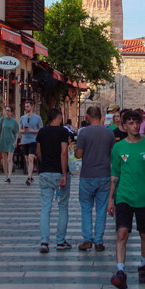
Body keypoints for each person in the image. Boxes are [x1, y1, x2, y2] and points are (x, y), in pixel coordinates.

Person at [107, 109, 145, 289]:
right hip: (124, 195)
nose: (135, 126)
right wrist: (111, 199)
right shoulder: (118, 147)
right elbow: (115, 175)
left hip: (144, 196)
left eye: (137, 122)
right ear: (124, 126)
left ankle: (143, 265)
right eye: (130, 123)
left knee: (144, 233)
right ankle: (120, 269)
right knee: (122, 232)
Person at [75, 106, 115, 252]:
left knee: (86, 208)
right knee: (101, 208)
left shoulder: (83, 133)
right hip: (104, 173)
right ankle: (98, 240)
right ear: (101, 116)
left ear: (87, 117)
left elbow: (79, 154)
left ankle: (87, 239)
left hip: (87, 174)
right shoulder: (109, 133)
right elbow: (113, 153)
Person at [36, 108, 72, 253]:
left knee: (46, 207)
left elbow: (38, 152)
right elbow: (64, 153)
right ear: (58, 117)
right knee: (62, 206)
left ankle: (44, 241)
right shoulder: (63, 132)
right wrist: (64, 173)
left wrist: (44, 164)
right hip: (59, 172)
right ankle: (60, 240)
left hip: (45, 172)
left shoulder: (41, 132)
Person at [0, 105, 20, 183]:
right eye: (6, 110)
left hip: (11, 141)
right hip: (3, 140)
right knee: (5, 159)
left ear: (11, 112)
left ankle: (9, 175)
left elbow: (16, 132)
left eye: (9, 110)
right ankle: (6, 175)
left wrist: (16, 141)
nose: (7, 112)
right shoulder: (2, 120)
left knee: (9, 159)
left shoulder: (14, 121)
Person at [20, 100, 43, 185]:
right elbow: (20, 129)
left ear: (32, 107)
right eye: (25, 107)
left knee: (31, 158)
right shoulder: (23, 118)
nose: (26, 108)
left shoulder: (38, 118)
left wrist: (31, 130)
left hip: (33, 140)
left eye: (28, 106)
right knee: (27, 159)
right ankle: (30, 174)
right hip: (24, 140)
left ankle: (29, 176)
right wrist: (23, 131)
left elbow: (41, 130)